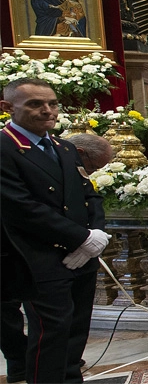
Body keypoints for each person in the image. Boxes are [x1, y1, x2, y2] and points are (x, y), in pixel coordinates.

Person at [0, 78, 108, 383]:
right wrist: (81, 238)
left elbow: (89, 195)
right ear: (7, 107)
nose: (47, 111)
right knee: (51, 334)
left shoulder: (64, 147)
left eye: (52, 103)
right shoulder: (5, 148)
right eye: (35, 104)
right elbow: (20, 207)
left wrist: (95, 237)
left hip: (81, 255)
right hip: (37, 256)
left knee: (76, 329)